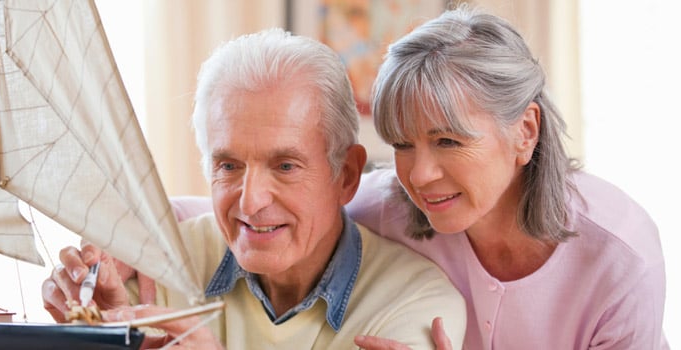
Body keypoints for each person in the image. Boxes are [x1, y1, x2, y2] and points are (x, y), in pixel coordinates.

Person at [165, 6, 670, 350]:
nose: (419, 174)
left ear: (525, 130)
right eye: (403, 144)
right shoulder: (390, 205)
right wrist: (129, 233)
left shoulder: (619, 259)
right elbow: (262, 207)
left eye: (448, 140)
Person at [42, 28, 466, 349]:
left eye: (285, 166)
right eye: (229, 165)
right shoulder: (154, 264)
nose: (249, 201)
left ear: (347, 176)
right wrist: (91, 330)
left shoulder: (417, 304)